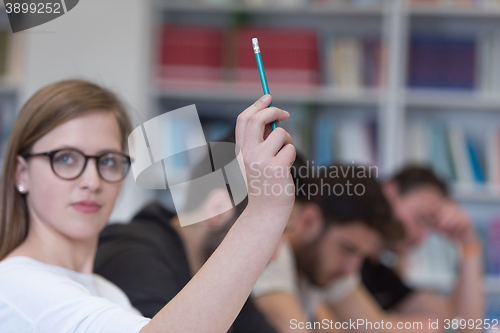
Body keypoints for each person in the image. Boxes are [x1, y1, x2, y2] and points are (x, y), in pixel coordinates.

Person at [0, 79, 296, 332]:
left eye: (108, 161)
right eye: (65, 158)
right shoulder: (14, 285)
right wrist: (265, 210)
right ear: (21, 173)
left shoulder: (108, 292)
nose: (92, 181)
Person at [94, 133, 277, 332]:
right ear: (218, 209)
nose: (274, 255)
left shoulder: (212, 268)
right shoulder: (135, 257)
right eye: (262, 229)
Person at [252, 161, 429, 333]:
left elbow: (376, 329)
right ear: (309, 221)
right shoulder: (273, 253)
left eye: (361, 255)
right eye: (347, 249)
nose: (351, 269)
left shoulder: (319, 262)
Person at [361, 166, 484, 332]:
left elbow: (463, 325)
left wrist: (469, 244)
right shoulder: (348, 262)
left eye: (430, 228)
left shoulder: (379, 274)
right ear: (389, 191)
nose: (421, 237)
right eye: (420, 219)